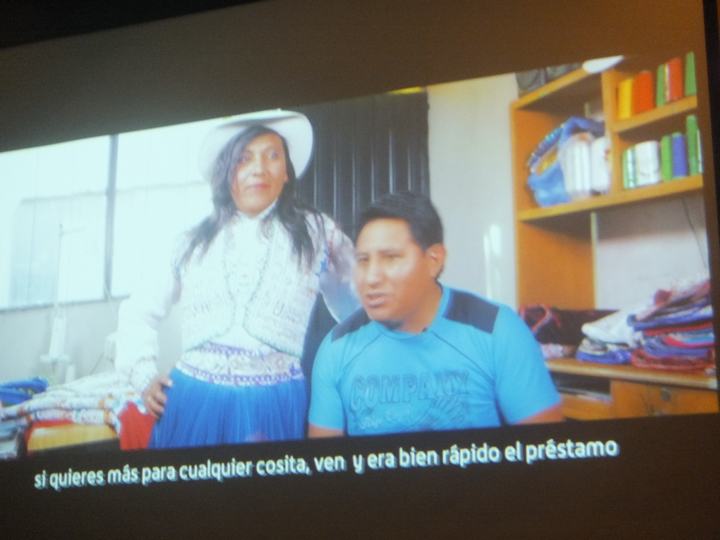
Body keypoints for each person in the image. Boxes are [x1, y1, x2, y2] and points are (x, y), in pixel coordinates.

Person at [115, 110, 357, 448]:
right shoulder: (191, 237)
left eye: (272, 156)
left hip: (275, 404)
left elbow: (357, 303)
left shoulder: (318, 232)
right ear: (226, 171)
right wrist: (143, 375)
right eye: (244, 158)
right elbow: (139, 310)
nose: (259, 168)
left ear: (287, 171)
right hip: (193, 400)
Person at [308, 191, 563, 437]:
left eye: (391, 258)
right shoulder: (336, 348)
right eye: (363, 260)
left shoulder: (498, 330)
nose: (371, 277)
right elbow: (326, 462)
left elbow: (545, 452)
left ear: (434, 260)